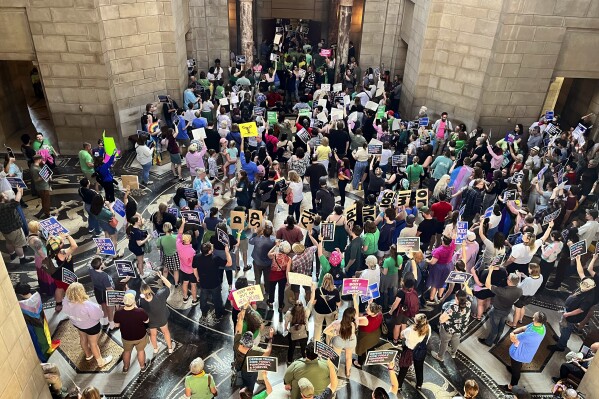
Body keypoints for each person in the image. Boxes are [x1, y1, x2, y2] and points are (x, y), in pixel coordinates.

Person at [62, 283, 113, 368]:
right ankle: (101, 362)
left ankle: (88, 355)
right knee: (93, 344)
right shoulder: (87, 305)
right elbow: (99, 315)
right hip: (92, 327)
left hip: (78, 325)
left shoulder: (65, 302)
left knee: (83, 339)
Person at [501, 312, 547, 393]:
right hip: (527, 351)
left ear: (536, 320)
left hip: (520, 354)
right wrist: (515, 332)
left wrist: (512, 333)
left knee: (516, 372)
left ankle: (511, 387)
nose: (532, 318)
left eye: (533, 317)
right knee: (516, 366)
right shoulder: (541, 326)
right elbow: (523, 328)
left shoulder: (530, 335)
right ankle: (514, 369)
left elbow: (513, 339)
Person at [324, 294, 368, 376]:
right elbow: (357, 311)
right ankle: (348, 372)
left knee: (336, 356)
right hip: (351, 341)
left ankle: (334, 371)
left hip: (338, 341)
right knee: (349, 357)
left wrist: (334, 333)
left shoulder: (337, 323)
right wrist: (355, 298)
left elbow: (325, 331)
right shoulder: (355, 322)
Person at [14, 282, 59, 362]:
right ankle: (48, 347)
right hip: (42, 319)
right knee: (45, 334)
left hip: (33, 325)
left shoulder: (21, 304)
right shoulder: (37, 295)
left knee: (38, 340)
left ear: (20, 294)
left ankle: (44, 356)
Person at [548, 278, 596, 352]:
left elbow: (581, 309)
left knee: (566, 330)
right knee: (562, 326)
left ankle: (561, 346)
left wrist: (568, 314)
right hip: (568, 312)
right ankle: (561, 339)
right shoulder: (584, 289)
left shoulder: (588, 298)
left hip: (572, 317)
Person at [233, 309, 274, 393]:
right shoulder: (255, 350)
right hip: (250, 372)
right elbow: (268, 351)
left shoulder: (236, 344)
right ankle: (247, 395)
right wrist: (270, 338)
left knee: (241, 382)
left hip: (239, 368)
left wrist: (243, 310)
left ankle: (242, 391)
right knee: (250, 387)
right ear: (251, 343)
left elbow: (239, 326)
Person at [478, 271, 522, 347]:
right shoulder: (520, 290)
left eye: (508, 278)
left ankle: (488, 342)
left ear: (509, 281)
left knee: (494, 327)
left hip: (497, 310)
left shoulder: (503, 291)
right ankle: (496, 340)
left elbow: (488, 284)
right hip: (507, 310)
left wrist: (490, 271)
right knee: (501, 325)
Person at [113, 292, 150, 373]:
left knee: (127, 351)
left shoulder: (118, 313)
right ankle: (142, 367)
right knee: (140, 351)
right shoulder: (140, 311)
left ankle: (125, 368)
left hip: (126, 337)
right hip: (140, 336)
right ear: (134, 301)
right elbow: (147, 321)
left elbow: (116, 325)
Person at [140, 275, 176, 354]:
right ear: (150, 290)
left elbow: (140, 299)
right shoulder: (160, 295)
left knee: (153, 334)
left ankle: (155, 349)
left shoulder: (141, 301)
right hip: (162, 318)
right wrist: (161, 276)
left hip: (151, 321)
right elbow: (170, 286)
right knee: (166, 332)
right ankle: (170, 348)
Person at [432, 290, 471, 362]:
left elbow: (441, 320)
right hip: (460, 329)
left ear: (456, 298)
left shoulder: (452, 308)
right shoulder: (468, 303)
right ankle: (453, 353)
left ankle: (440, 357)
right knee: (456, 340)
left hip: (448, 330)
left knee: (444, 342)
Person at [194, 242, 230, 320]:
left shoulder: (197, 257)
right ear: (209, 251)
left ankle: (204, 312)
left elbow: (194, 269)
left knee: (203, 298)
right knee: (217, 299)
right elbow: (229, 263)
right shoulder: (215, 259)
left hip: (203, 283)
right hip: (215, 283)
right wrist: (227, 252)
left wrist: (197, 277)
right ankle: (218, 314)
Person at [397, 313, 430, 392]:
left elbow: (401, 335)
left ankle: (399, 386)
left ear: (416, 321)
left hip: (409, 350)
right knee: (419, 368)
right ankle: (419, 384)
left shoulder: (410, 330)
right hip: (421, 349)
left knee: (404, 369)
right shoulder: (428, 327)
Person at [0, 186, 33, 264]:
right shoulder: (6, 206)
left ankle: (12, 254)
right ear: (2, 198)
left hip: (4, 229)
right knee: (18, 245)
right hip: (14, 229)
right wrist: (18, 191)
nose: (6, 195)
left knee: (8, 242)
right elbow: (17, 201)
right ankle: (22, 259)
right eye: (4, 195)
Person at [46, 233, 78, 313]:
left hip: (56, 275)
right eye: (61, 241)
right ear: (60, 246)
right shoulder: (62, 253)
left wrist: (53, 237)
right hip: (66, 276)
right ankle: (75, 305)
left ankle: (58, 304)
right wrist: (68, 236)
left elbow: (50, 241)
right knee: (72, 290)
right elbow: (74, 246)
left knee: (59, 288)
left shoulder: (49, 250)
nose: (62, 240)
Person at [285, 285, 316, 364]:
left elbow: (286, 323)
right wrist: (313, 289)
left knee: (291, 348)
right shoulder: (306, 312)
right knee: (303, 348)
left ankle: (289, 361)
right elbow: (311, 301)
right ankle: (304, 358)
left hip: (293, 333)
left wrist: (286, 329)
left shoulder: (289, 313)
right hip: (304, 333)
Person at [508, 263, 543, 328]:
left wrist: (519, 277)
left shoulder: (528, 280)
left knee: (517, 310)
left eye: (529, 268)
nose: (528, 269)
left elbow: (519, 286)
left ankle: (514, 324)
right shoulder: (541, 276)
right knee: (523, 307)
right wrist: (524, 275)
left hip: (522, 297)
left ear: (532, 270)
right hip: (530, 297)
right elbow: (532, 280)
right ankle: (520, 319)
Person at [389, 277, 420, 346]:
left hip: (400, 312)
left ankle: (395, 341)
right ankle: (401, 339)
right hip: (408, 312)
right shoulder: (413, 291)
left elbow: (395, 304)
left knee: (397, 326)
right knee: (404, 324)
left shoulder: (401, 292)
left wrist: (391, 311)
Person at [89, 257, 115, 330]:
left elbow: (91, 262)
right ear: (101, 266)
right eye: (102, 262)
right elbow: (108, 288)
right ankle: (112, 324)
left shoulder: (91, 270)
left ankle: (105, 321)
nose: (104, 263)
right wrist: (115, 293)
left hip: (97, 291)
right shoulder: (104, 276)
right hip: (105, 292)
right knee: (109, 308)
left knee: (103, 306)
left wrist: (97, 255)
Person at [355, 302, 384, 367]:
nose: (366, 309)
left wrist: (354, 300)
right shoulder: (379, 313)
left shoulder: (366, 320)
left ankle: (359, 363)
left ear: (373, 313)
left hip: (365, 336)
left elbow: (356, 319)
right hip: (375, 334)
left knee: (361, 349)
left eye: (367, 310)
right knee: (371, 347)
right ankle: (370, 360)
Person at [267, 240, 292, 315]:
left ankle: (271, 302)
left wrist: (275, 246)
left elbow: (268, 254)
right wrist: (288, 281)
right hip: (282, 276)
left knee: (272, 289)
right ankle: (280, 306)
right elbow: (287, 271)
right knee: (281, 291)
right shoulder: (288, 259)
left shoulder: (274, 255)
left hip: (273, 275)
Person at [178, 219, 199, 305]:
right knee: (193, 285)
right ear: (190, 240)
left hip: (183, 269)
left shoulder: (178, 244)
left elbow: (179, 233)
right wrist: (197, 276)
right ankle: (194, 299)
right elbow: (194, 265)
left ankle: (185, 297)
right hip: (191, 271)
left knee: (185, 283)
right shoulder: (192, 251)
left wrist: (183, 223)